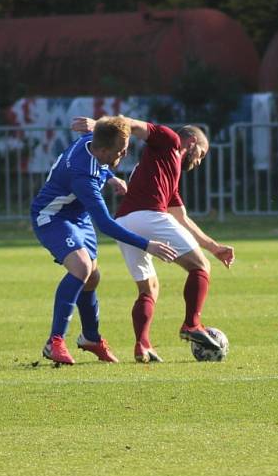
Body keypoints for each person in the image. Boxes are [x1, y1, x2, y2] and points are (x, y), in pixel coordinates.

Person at [71, 116, 235, 363]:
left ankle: (142, 345)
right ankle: (192, 324)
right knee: (200, 267)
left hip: (125, 222)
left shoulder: (169, 171)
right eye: (201, 153)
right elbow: (133, 125)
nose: (200, 161)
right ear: (191, 142)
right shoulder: (169, 139)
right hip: (148, 215)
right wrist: (101, 126)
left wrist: (214, 247)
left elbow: (181, 218)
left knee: (149, 288)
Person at [30, 116, 177, 365]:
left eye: (126, 148)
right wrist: (147, 244)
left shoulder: (93, 141)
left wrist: (110, 176)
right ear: (102, 150)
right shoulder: (83, 175)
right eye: (119, 151)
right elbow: (107, 224)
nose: (124, 154)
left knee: (92, 277)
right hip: (52, 216)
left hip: (78, 216)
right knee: (82, 268)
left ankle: (90, 338)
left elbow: (103, 142)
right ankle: (54, 341)